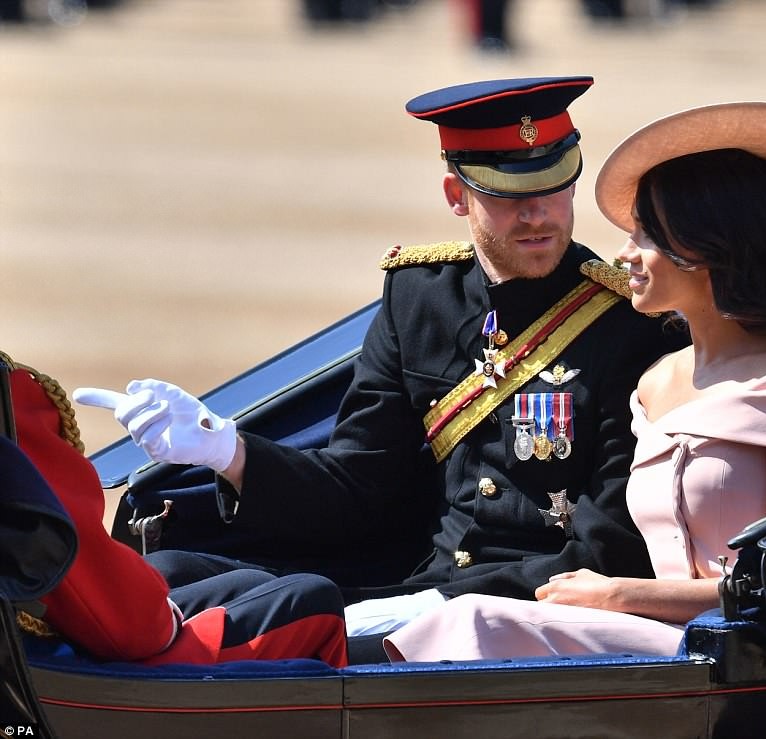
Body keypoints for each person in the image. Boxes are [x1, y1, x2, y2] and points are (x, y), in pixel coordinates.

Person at [73, 76, 689, 654]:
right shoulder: (419, 297)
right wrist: (227, 452)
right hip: (413, 585)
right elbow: (360, 487)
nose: (537, 215)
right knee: (170, 572)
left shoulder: (632, 324)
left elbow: (612, 545)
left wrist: (437, 606)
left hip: (525, 612)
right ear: (457, 195)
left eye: (552, 188)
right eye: (507, 195)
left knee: (285, 616)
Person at [382, 101, 766, 662]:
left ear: (712, 249)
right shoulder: (656, 380)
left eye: (647, 235)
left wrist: (620, 595)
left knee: (474, 619)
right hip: (645, 634)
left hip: (733, 648)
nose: (624, 253)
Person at [3, 353, 347, 667]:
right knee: (315, 603)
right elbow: (121, 620)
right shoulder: (12, 403)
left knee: (233, 579)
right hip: (59, 663)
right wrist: (158, 617)